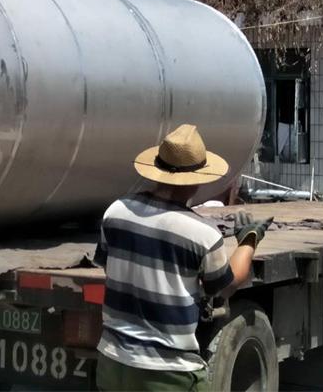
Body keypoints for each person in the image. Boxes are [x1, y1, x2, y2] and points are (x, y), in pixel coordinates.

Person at [94, 124, 272, 392]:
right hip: (168, 374)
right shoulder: (202, 234)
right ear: (196, 181)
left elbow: (111, 268)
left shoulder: (115, 212)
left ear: (155, 170)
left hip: (112, 363)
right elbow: (226, 286)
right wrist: (249, 239)